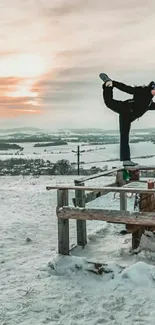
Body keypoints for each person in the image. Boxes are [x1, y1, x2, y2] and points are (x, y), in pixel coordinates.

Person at [99, 73, 155, 166]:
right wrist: (114, 83)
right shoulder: (141, 91)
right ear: (152, 88)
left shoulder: (149, 103)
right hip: (125, 108)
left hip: (128, 117)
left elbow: (151, 106)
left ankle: (126, 160)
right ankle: (108, 84)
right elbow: (126, 88)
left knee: (124, 136)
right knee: (109, 103)